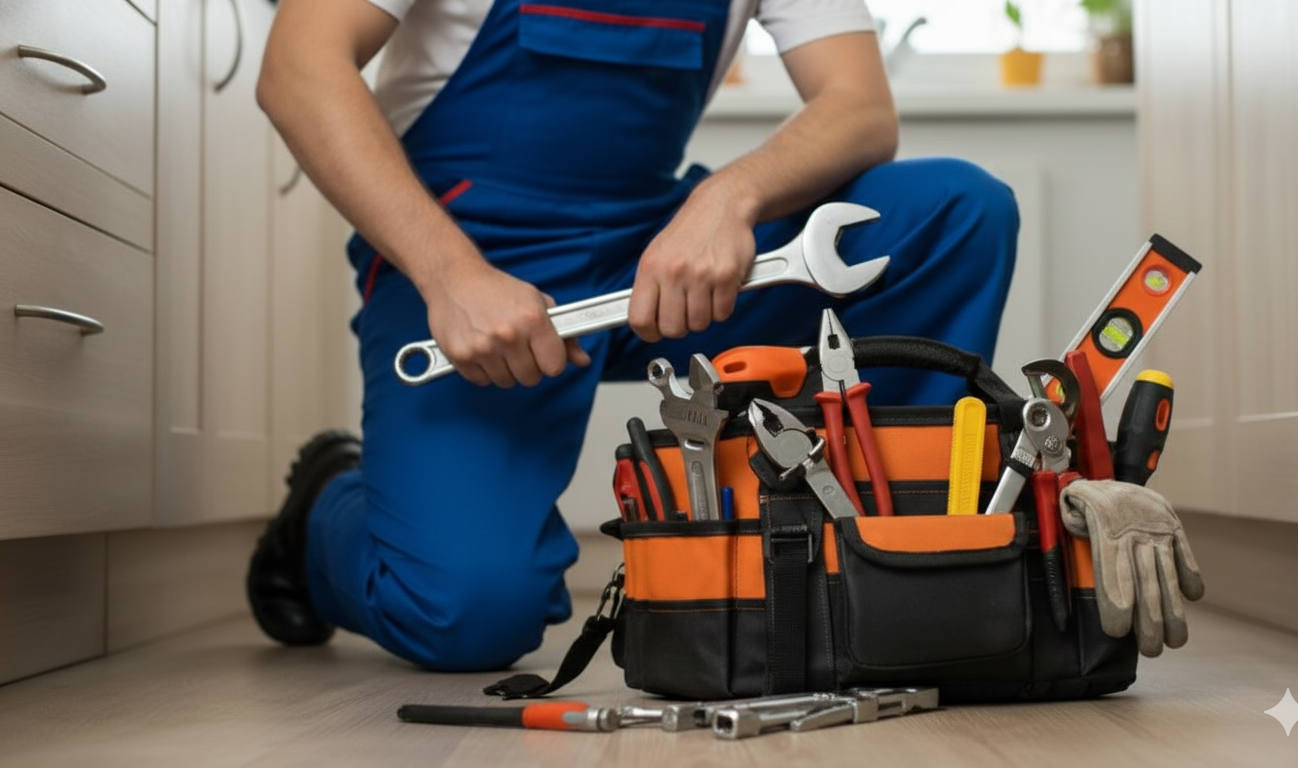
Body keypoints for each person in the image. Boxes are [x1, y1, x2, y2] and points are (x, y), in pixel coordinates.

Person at [246, 0, 1019, 672]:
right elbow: (298, 66)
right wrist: (451, 277)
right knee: (465, 613)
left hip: (655, 251)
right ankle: (323, 510)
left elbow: (859, 105)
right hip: (464, 255)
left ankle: (866, 561)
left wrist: (729, 198)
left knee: (957, 212)